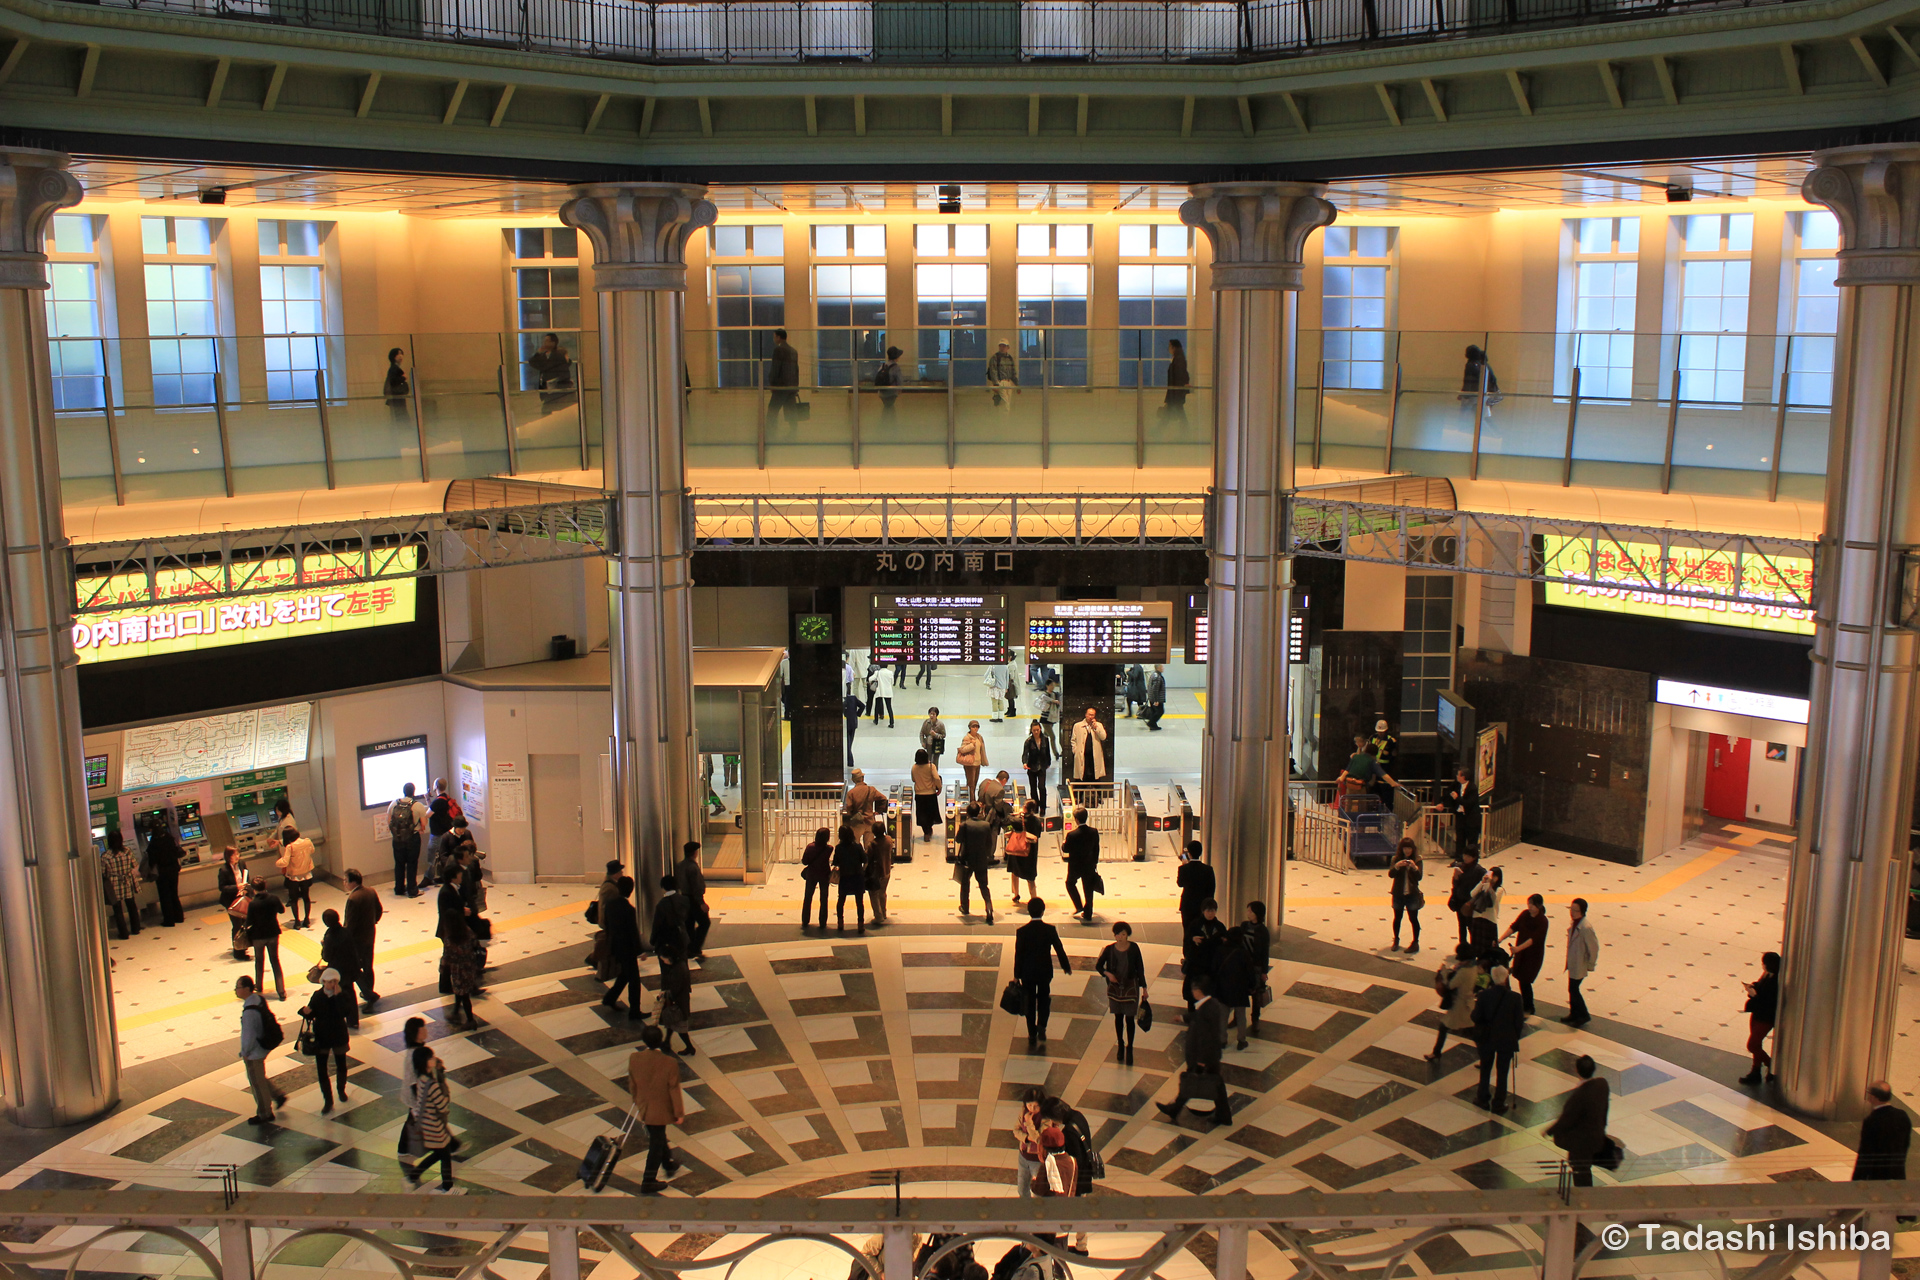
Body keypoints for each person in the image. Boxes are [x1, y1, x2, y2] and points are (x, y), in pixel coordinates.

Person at [1156, 973, 1231, 1125]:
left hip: (1204, 1057)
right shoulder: (1210, 1005)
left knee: (1194, 1083)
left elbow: (1207, 1036)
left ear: (1199, 991)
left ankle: (1175, 1109)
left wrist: (1202, 1060)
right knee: (1215, 1084)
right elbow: (1197, 1018)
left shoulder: (1207, 1009)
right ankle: (1223, 1115)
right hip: (1209, 1056)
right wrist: (1183, 1018)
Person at [627, 1024, 687, 1194]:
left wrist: (638, 1101)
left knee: (658, 1135)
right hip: (661, 1109)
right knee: (656, 1142)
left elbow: (632, 1084)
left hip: (645, 1106)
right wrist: (679, 1113)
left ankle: (668, 1164)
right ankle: (648, 1180)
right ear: (660, 1041)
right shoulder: (669, 1062)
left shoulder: (634, 1058)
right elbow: (673, 1089)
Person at [1013, 899, 1071, 1050]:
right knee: (1044, 999)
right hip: (1045, 972)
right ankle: (1042, 1027)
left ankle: (1031, 1033)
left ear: (1028, 911)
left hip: (1027, 973)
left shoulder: (1022, 932)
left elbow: (1019, 955)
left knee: (1030, 1002)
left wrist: (1016, 975)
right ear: (1043, 911)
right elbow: (1059, 949)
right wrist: (1066, 966)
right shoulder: (1049, 930)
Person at [1544, 1054, 1610, 1186]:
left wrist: (1549, 1131)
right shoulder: (1602, 1084)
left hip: (1582, 1142)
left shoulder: (1579, 1096)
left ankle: (1585, 1197)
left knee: (1581, 1171)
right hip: (1597, 1136)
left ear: (1576, 1070)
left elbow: (1566, 1119)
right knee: (1584, 1168)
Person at [299, 968, 355, 1113]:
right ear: (323, 982)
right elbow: (312, 1013)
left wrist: (338, 997)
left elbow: (345, 1012)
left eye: (335, 982)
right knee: (321, 1069)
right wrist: (304, 1011)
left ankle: (341, 1090)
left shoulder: (343, 995)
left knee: (341, 1064)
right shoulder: (318, 996)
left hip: (338, 1034)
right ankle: (328, 1100)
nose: (332, 984)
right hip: (322, 1036)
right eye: (330, 982)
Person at [406, 1044, 460, 1192]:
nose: (434, 1058)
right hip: (435, 1126)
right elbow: (442, 1106)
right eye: (431, 1057)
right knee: (444, 1156)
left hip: (427, 1124)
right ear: (425, 1062)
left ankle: (412, 1176)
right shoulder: (432, 1084)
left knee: (439, 1154)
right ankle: (448, 1188)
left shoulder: (422, 1080)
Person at [1471, 965, 1524, 1112]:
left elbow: (1475, 1017)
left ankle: (1482, 1098)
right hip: (1506, 1040)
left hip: (1487, 1038)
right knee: (1502, 1072)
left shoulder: (1483, 996)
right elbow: (1519, 1023)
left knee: (1485, 1069)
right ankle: (1498, 1103)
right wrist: (1514, 1038)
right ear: (1506, 978)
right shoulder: (1515, 998)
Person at [235, 975, 287, 1123]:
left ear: (246, 989)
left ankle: (265, 1113)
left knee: (257, 1082)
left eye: (238, 987)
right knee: (259, 1076)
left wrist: (245, 1052)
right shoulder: (258, 1000)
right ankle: (277, 1095)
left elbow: (249, 1035)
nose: (236, 990)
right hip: (263, 1045)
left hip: (255, 1051)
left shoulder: (249, 1012)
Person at [1095, 921, 1147, 1063]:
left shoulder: (1134, 948)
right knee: (1118, 1017)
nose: (1120, 937)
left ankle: (1130, 1046)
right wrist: (1108, 974)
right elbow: (1098, 965)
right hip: (1116, 987)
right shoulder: (1110, 949)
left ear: (1127, 935)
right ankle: (1120, 1043)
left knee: (1130, 1018)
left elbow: (1140, 968)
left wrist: (1144, 988)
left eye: (1123, 934)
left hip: (1131, 986)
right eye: (1118, 934)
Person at [600, 875, 645, 1019]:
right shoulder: (628, 909)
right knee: (634, 980)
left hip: (615, 946)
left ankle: (610, 998)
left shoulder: (611, 905)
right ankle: (635, 1011)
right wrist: (640, 951)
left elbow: (607, 924)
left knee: (625, 975)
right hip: (627, 949)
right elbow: (632, 932)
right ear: (631, 890)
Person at [1427, 943, 1480, 1059]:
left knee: (1444, 1027)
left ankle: (1436, 1053)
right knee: (1472, 1033)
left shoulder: (1463, 972)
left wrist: (1443, 973)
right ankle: (1485, 1057)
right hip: (1467, 1005)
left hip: (1459, 1006)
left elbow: (1450, 985)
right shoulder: (1473, 968)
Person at [1228, 902, 1271, 1045]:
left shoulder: (1263, 931)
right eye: (1248, 910)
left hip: (1256, 966)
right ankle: (1236, 1018)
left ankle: (1255, 1019)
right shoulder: (1244, 926)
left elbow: (1265, 953)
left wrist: (1264, 971)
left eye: (1251, 911)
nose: (1248, 913)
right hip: (1243, 963)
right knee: (1239, 991)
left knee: (1256, 994)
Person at [1853, 1082, 1913, 1180]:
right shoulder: (1902, 1115)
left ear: (1873, 1097)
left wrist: (1857, 1179)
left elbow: (1865, 1153)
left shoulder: (1872, 1121)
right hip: (1898, 1173)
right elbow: (1906, 1143)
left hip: (1877, 1176)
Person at [1500, 894, 1549, 1013]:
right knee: (1521, 979)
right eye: (1529, 904)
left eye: (1533, 904)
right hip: (1521, 953)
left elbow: (1534, 939)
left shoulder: (1543, 921)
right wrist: (1501, 939)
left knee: (1525, 980)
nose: (1530, 907)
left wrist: (1518, 949)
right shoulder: (1524, 915)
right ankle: (1526, 1004)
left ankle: (1529, 1006)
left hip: (1533, 956)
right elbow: (1514, 927)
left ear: (1539, 905)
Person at [1739, 951, 1781, 1085]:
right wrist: (1753, 986)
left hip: (1766, 1016)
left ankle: (1771, 1065)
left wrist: (1754, 995)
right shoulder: (1768, 975)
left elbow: (1768, 999)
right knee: (1757, 1044)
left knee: (1752, 1045)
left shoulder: (1776, 981)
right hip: (1757, 1013)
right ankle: (1755, 1071)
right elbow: (1760, 986)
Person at [343, 868, 382, 1009]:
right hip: (370, 934)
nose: (344, 883)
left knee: (354, 968)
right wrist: (372, 923)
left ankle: (369, 993)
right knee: (368, 966)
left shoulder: (353, 898)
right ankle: (369, 992)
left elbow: (350, 923)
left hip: (357, 940)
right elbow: (379, 910)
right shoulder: (371, 891)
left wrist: (345, 938)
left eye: (346, 880)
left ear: (353, 882)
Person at [397, 1017, 430, 1180]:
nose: (426, 1030)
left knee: (411, 1119)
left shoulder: (418, 1050)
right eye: (422, 1028)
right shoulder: (414, 1054)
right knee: (414, 1119)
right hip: (415, 1096)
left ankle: (402, 1150)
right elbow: (413, 1080)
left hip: (417, 1096)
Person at [246, 876, 287, 1000]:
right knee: (275, 960)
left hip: (258, 935)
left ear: (254, 889)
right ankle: (281, 991)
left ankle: (259, 985)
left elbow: (249, 921)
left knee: (259, 961)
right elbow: (282, 910)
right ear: (266, 886)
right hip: (273, 933)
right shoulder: (273, 898)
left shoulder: (253, 903)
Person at [1183, 899, 1227, 1015]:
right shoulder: (1195, 925)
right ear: (1203, 911)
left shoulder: (1219, 927)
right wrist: (1192, 940)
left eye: (1212, 910)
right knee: (1194, 988)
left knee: (1210, 989)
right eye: (1208, 910)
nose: (1210, 913)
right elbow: (1187, 941)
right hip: (1197, 964)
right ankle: (1192, 1011)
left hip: (1212, 964)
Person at [441, 910, 482, 1030]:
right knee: (460, 991)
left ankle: (470, 1020)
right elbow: (475, 943)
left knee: (463, 994)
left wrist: (443, 968)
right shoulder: (467, 931)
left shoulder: (450, 938)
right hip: (469, 966)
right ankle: (455, 1012)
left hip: (458, 970)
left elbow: (447, 955)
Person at [656, 936, 696, 1056]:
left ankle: (689, 1047)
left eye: (664, 959)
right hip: (679, 1001)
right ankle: (667, 1042)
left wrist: (665, 993)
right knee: (672, 1022)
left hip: (679, 1002)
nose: (663, 961)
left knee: (679, 1026)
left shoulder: (678, 969)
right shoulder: (679, 965)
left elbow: (676, 988)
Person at [955, 803, 995, 923]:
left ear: (967, 813)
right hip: (981, 858)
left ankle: (965, 907)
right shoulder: (986, 825)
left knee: (965, 883)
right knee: (983, 885)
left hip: (967, 859)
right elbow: (989, 843)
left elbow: (958, 840)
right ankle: (989, 909)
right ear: (979, 812)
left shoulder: (964, 825)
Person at [1563, 897, 1599, 1026]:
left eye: (1575, 910)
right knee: (1572, 988)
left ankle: (1583, 1015)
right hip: (1574, 962)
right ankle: (1574, 1013)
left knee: (1573, 988)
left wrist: (1591, 964)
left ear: (1582, 911)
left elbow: (1593, 947)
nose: (1572, 912)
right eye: (1571, 909)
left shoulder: (1585, 927)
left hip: (1580, 964)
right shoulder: (1575, 924)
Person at [388, 782, 427, 899]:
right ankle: (412, 890)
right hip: (412, 838)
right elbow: (423, 825)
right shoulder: (418, 806)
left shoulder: (394, 803)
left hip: (397, 839)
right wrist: (419, 828)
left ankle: (399, 889)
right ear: (414, 792)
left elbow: (389, 821)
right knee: (412, 864)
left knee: (399, 864)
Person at [1062, 806, 1100, 922]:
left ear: (1076, 820)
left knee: (1070, 883)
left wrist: (1063, 844)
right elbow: (1096, 849)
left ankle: (1078, 905)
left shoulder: (1072, 835)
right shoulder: (1094, 832)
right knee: (1088, 889)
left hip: (1075, 865)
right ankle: (1088, 913)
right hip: (1089, 864)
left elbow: (1066, 849)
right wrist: (1094, 862)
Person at [101, 830, 140, 940]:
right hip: (127, 880)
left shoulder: (105, 856)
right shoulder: (127, 851)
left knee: (118, 910)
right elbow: (134, 864)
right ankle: (135, 928)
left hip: (114, 883)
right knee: (131, 905)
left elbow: (103, 872)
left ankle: (123, 933)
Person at [276, 825, 316, 928]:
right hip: (306, 874)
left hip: (293, 876)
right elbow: (312, 851)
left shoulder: (291, 847)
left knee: (294, 899)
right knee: (306, 897)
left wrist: (277, 863)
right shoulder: (307, 841)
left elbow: (285, 862)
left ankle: (297, 922)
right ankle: (307, 920)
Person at [1387, 838, 1423, 954]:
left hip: (1412, 894)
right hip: (1398, 893)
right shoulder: (1396, 859)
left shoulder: (1417, 860)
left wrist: (1414, 867)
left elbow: (1419, 877)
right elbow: (1391, 874)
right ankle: (1396, 940)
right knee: (1397, 918)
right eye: (1405, 848)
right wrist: (1397, 866)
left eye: (1409, 848)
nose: (1407, 851)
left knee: (1413, 918)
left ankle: (1415, 942)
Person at [676, 841, 710, 957]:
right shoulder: (692, 868)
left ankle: (690, 947)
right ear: (695, 853)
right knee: (705, 923)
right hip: (693, 899)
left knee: (689, 923)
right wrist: (701, 902)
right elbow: (696, 886)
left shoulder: (680, 865)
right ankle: (695, 947)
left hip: (684, 897)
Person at [146, 825, 184, 927]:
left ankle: (169, 920)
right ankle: (179, 917)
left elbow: (151, 859)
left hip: (162, 872)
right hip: (173, 870)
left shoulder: (154, 843)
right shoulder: (170, 838)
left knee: (165, 896)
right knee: (174, 893)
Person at [1446, 847, 1485, 946]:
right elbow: (1455, 885)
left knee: (1471, 926)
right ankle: (1463, 947)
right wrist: (1456, 877)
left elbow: (1484, 883)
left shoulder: (1479, 870)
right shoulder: (1460, 866)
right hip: (1459, 899)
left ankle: (1474, 947)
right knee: (1462, 925)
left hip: (1470, 902)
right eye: (1464, 855)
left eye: (1468, 856)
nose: (1465, 858)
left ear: (1474, 857)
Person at [833, 824, 867, 933]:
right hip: (857, 876)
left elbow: (836, 862)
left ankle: (840, 922)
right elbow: (864, 859)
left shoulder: (839, 848)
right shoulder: (857, 846)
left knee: (841, 900)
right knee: (859, 902)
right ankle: (860, 924)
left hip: (844, 876)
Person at [1005, 800, 1041, 904]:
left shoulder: (1019, 820)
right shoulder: (1037, 821)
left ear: (1025, 807)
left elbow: (1007, 818)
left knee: (1015, 872)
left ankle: (1016, 894)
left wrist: (1018, 814)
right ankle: (1034, 897)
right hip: (1030, 852)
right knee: (1030, 877)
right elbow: (1038, 835)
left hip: (1017, 849)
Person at [1012, 1088, 1045, 1198]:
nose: (1032, 1109)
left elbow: (1039, 1139)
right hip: (1023, 1156)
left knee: (1038, 1192)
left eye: (1036, 1106)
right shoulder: (1023, 1111)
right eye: (1029, 1105)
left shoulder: (1045, 1117)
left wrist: (1029, 1123)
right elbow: (1016, 1130)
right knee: (1022, 1189)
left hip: (1037, 1160)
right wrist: (1026, 1138)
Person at [1443, 767, 1483, 859]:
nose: (1457, 776)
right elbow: (1448, 794)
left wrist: (1457, 798)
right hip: (1460, 816)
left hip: (1471, 818)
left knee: (1472, 841)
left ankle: (1472, 858)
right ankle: (1459, 858)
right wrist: (1443, 803)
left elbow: (1468, 803)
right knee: (1460, 838)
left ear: (1463, 776)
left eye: (1458, 774)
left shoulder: (1472, 788)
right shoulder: (1456, 785)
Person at [218, 844, 249, 959]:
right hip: (231, 900)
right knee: (236, 924)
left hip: (243, 897)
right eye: (234, 855)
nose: (237, 856)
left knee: (245, 923)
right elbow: (222, 887)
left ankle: (244, 946)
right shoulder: (224, 870)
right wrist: (237, 887)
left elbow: (247, 877)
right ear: (228, 856)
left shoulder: (242, 863)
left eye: (238, 854)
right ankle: (238, 951)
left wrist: (245, 888)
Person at [526, 332, 573, 407]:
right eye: (544, 340)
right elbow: (532, 362)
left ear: (553, 342)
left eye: (547, 340)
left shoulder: (559, 355)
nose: (544, 342)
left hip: (556, 391)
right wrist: (538, 353)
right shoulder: (543, 355)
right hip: (546, 390)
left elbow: (563, 370)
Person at [1177, 841, 1214, 936]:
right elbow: (1211, 889)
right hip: (1202, 905)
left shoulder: (1183, 869)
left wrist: (1184, 864)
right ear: (1200, 853)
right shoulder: (1208, 869)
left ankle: (1187, 950)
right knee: (1202, 931)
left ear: (1189, 854)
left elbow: (1180, 883)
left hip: (1187, 905)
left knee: (1188, 931)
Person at [651, 874, 690, 962]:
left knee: (669, 965)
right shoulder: (685, 900)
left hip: (668, 940)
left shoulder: (661, 905)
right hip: (682, 936)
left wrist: (653, 941)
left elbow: (657, 925)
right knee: (682, 961)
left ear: (663, 887)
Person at [800, 826, 834, 930]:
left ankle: (805, 920)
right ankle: (822, 921)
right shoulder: (829, 848)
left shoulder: (810, 847)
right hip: (824, 874)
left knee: (808, 897)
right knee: (824, 898)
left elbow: (804, 861)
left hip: (812, 874)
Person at [767, 327, 801, 423]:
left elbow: (775, 368)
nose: (774, 339)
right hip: (791, 387)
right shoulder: (793, 351)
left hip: (780, 387)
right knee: (791, 412)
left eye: (774, 337)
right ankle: (793, 433)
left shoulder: (778, 350)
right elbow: (796, 370)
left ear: (779, 337)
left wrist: (772, 383)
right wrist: (795, 386)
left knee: (772, 411)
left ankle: (770, 433)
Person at [844, 768, 885, 847]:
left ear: (853, 780)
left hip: (857, 822)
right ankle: (868, 859)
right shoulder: (871, 790)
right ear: (862, 778)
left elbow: (849, 807)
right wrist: (878, 811)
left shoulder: (851, 793)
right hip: (869, 821)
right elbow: (883, 798)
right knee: (869, 846)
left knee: (854, 844)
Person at [1020, 720, 1053, 816]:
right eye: (1034, 730)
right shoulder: (1028, 741)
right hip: (1032, 766)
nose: (1036, 732)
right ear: (1031, 730)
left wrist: (1048, 762)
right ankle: (1035, 805)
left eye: (1037, 730)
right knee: (1033, 788)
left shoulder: (1045, 739)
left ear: (1040, 729)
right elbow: (1025, 754)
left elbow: (1047, 752)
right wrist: (1025, 763)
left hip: (1042, 766)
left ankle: (1043, 806)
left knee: (1042, 787)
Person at [865, 825, 895, 925]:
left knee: (874, 893)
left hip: (876, 872)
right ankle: (884, 912)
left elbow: (868, 857)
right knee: (882, 892)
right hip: (886, 869)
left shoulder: (873, 844)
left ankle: (878, 916)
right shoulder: (889, 840)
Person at [911, 748, 943, 843]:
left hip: (919, 794)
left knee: (922, 814)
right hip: (930, 794)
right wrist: (939, 787)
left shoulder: (914, 767)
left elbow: (913, 779)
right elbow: (936, 778)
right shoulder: (931, 766)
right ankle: (929, 829)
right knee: (930, 813)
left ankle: (926, 831)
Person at [1069, 706, 1107, 783]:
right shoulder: (1078, 726)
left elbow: (1103, 737)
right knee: (1081, 775)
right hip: (1082, 754)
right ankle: (1078, 794)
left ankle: (1097, 793)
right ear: (1085, 715)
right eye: (1089, 714)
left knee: (1095, 775)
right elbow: (1073, 740)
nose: (1090, 717)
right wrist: (1075, 750)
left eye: (1092, 715)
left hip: (1094, 755)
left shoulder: (1098, 725)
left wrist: (1096, 728)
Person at [1459, 343, 1501, 411]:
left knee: (1468, 413)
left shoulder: (1471, 365)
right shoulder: (1482, 365)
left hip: (1475, 394)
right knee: (1483, 413)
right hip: (1484, 393)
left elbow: (1469, 380)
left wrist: (1465, 394)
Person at [873, 345, 903, 424]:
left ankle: (886, 423)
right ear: (896, 357)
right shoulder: (896, 367)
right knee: (889, 407)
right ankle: (889, 424)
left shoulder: (883, 365)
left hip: (881, 392)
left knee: (888, 406)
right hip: (891, 393)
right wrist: (900, 389)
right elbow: (900, 380)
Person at [957, 720, 987, 800]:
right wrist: (971, 745)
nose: (975, 728)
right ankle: (972, 800)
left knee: (975, 782)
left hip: (977, 763)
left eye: (977, 726)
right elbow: (962, 750)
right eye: (973, 727)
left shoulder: (979, 737)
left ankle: (973, 799)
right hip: (970, 764)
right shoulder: (967, 738)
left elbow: (982, 750)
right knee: (971, 784)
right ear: (970, 728)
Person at [1162, 338, 1189, 422]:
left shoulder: (1179, 360)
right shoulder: (1178, 359)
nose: (1168, 348)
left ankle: (1157, 431)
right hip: (1175, 392)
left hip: (1176, 392)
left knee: (1176, 414)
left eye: (1170, 346)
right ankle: (1157, 431)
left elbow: (1179, 376)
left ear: (1174, 347)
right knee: (1173, 414)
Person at [986, 340, 1018, 409]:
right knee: (1005, 403)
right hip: (1000, 382)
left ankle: (1004, 418)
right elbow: (993, 371)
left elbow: (1013, 372)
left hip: (1009, 382)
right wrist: (996, 384)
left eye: (1004, 346)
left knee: (1007, 402)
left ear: (1008, 347)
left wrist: (1016, 384)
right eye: (1001, 346)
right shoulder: (995, 357)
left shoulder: (1010, 358)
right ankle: (1004, 419)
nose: (1002, 348)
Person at [382, 347, 411, 420]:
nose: (400, 356)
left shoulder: (394, 368)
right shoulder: (394, 368)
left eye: (401, 354)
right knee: (401, 417)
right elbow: (393, 381)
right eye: (398, 354)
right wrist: (403, 378)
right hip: (397, 397)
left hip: (396, 397)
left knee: (398, 416)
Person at [1035, 678, 1062, 756]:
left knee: (1044, 737)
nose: (1053, 687)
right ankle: (1055, 753)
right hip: (1045, 719)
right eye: (1051, 685)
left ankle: (1040, 751)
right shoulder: (1045, 695)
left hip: (1052, 719)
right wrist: (1053, 701)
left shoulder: (1055, 694)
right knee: (1052, 737)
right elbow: (1046, 699)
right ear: (1047, 686)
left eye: (1053, 685)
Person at [870, 659, 896, 727]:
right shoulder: (890, 672)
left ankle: (876, 720)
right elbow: (892, 682)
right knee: (889, 707)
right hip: (888, 691)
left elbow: (870, 679)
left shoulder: (877, 672)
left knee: (877, 706)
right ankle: (891, 722)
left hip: (880, 691)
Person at [843, 691, 865, 766]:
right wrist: (857, 714)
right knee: (850, 742)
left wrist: (846, 713)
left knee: (848, 743)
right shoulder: (853, 698)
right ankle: (850, 761)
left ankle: (850, 760)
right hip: (853, 721)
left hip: (850, 722)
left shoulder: (845, 701)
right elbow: (862, 706)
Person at [1143, 664, 1167, 730]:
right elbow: (1155, 689)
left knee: (1154, 712)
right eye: (1162, 667)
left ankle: (1153, 725)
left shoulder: (1154, 675)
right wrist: (1156, 700)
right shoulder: (1157, 677)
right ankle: (1151, 723)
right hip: (1157, 698)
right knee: (1160, 711)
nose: (1163, 668)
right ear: (1158, 668)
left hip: (1152, 697)